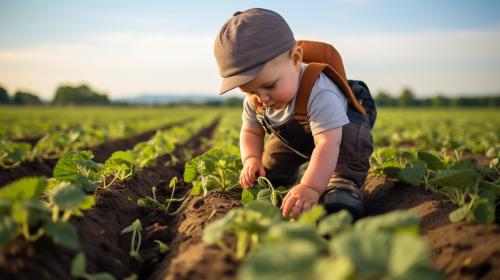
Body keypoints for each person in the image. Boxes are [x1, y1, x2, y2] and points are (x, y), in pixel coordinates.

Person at [213, 8, 375, 220]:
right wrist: (251, 159)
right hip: (300, 129)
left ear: (296, 59)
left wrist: (310, 187)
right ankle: (285, 175)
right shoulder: (257, 99)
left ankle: (344, 184)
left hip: (340, 126)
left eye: (270, 85)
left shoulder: (321, 92)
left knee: (348, 144)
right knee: (270, 167)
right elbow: (251, 132)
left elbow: (327, 144)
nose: (262, 98)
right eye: (250, 91)